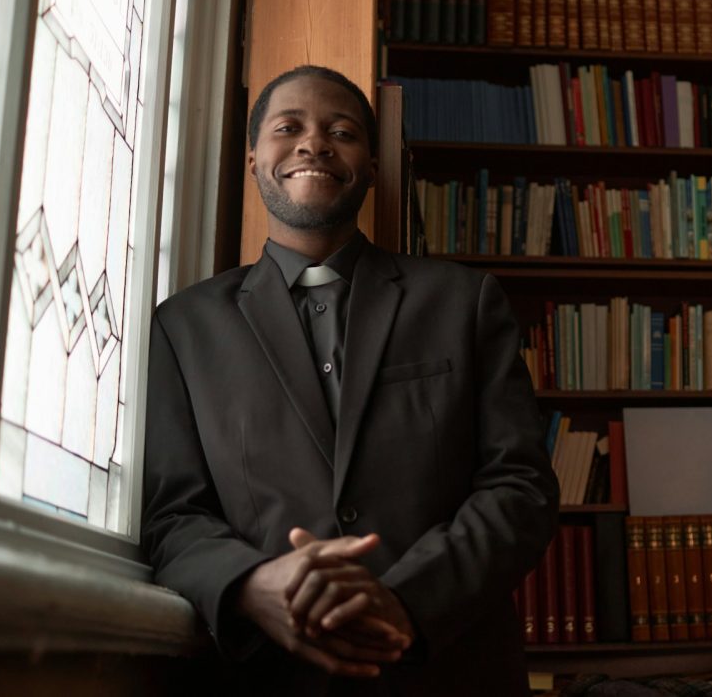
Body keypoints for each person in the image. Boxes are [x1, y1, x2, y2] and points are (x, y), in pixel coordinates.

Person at [141, 65, 558, 695]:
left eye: (342, 130)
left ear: (371, 166)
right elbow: (172, 515)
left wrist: (408, 600)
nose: (315, 143)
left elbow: (520, 483)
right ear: (254, 157)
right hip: (267, 675)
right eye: (289, 128)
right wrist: (254, 587)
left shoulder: (462, 300)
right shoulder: (183, 327)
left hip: (449, 670)